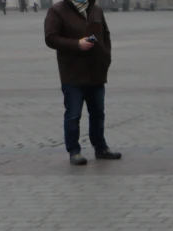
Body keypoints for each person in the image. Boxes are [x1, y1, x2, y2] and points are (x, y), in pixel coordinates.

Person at [44, 0, 122, 166]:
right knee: (73, 115)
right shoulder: (57, 11)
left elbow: (105, 36)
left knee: (98, 114)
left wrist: (105, 58)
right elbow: (51, 38)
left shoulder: (96, 10)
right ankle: (74, 151)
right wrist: (76, 44)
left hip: (96, 73)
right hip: (73, 74)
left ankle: (101, 148)